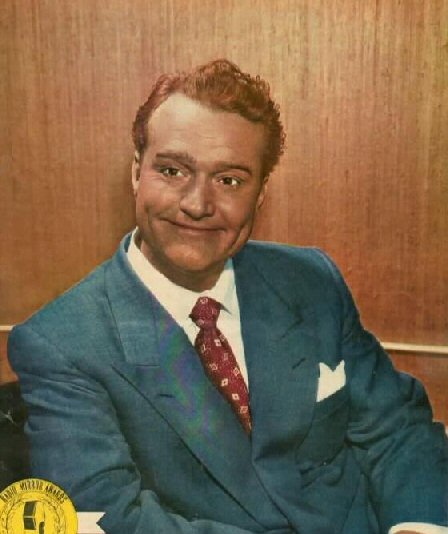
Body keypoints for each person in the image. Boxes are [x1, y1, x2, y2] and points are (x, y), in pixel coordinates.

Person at [8, 59, 447, 534]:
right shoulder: (61, 344)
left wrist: (418, 527)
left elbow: (397, 430)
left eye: (229, 180)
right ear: (137, 173)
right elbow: (110, 517)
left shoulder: (311, 279)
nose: (197, 204)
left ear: (260, 194)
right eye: (172, 171)